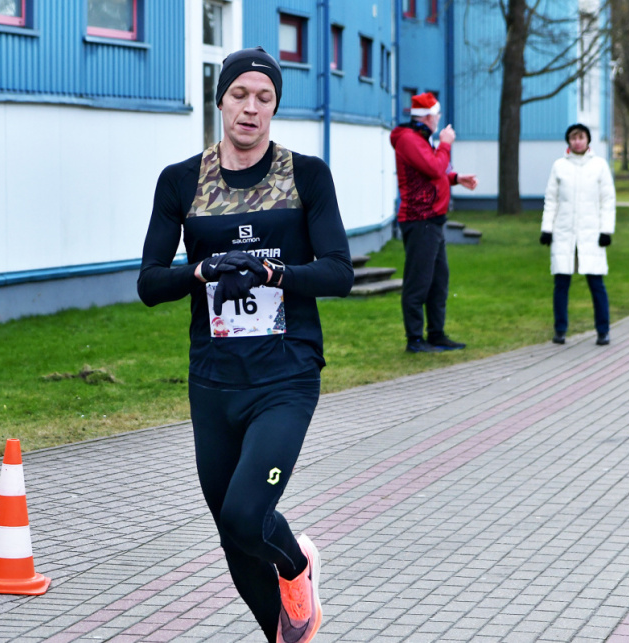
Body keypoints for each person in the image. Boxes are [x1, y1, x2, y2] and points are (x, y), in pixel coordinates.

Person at [137, 47, 353, 643]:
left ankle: (297, 565)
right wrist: (201, 271)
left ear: (275, 107)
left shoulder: (306, 175)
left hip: (286, 374)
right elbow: (149, 283)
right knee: (232, 534)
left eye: (264, 97)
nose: (250, 108)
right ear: (221, 99)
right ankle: (282, 635)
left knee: (246, 513)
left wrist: (273, 272)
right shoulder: (182, 180)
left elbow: (339, 272)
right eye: (239, 94)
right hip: (214, 380)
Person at [390, 92, 478, 354]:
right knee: (418, 282)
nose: (439, 119)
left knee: (439, 281)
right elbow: (433, 168)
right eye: (437, 114)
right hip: (420, 220)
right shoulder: (408, 139)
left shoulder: (420, 138)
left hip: (433, 221)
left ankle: (437, 335)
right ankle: (415, 340)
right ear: (429, 116)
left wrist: (456, 178)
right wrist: (446, 144)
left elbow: (432, 173)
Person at [540, 123, 616, 346]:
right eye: (573, 138)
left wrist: (606, 230)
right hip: (564, 233)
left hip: (591, 233)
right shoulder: (559, 166)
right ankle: (560, 329)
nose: (577, 142)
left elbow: (607, 200)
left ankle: (603, 330)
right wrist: (547, 229)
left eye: (581, 137)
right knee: (561, 283)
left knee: (596, 283)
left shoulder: (599, 166)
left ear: (588, 140)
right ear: (569, 141)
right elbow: (551, 200)